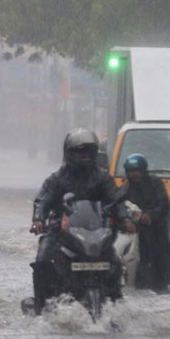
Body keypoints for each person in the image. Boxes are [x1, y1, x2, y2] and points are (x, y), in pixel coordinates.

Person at [29, 128, 135, 314]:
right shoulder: (57, 179)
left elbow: (115, 200)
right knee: (43, 260)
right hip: (62, 233)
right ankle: (40, 306)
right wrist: (38, 219)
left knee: (116, 262)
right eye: (80, 152)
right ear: (69, 154)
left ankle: (116, 300)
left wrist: (124, 218)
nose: (85, 156)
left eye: (89, 152)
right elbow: (43, 201)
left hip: (97, 232)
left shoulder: (103, 178)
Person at [122, 153, 170, 293]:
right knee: (139, 272)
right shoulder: (126, 187)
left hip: (157, 234)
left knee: (160, 274)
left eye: (137, 171)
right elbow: (118, 206)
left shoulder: (156, 184)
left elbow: (165, 206)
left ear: (143, 170)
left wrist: (149, 216)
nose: (134, 175)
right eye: (131, 172)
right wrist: (125, 221)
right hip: (138, 236)